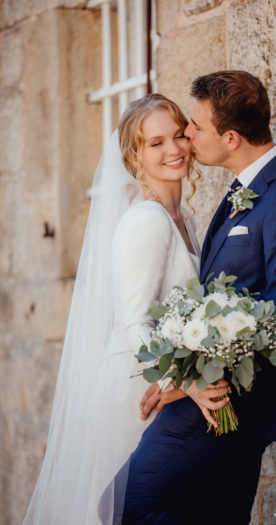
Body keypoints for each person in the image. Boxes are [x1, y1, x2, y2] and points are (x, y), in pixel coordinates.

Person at [117, 71, 276, 524]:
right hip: (203, 397)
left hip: (230, 400)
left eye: (190, 129)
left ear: (231, 137)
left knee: (132, 505)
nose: (185, 141)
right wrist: (179, 380)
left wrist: (189, 381)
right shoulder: (238, 194)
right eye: (160, 141)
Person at [23, 93, 228, 525]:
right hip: (138, 385)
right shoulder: (147, 219)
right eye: (155, 144)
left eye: (177, 136)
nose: (173, 150)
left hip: (160, 379)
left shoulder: (182, 217)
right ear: (134, 156)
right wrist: (187, 382)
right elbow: (135, 322)